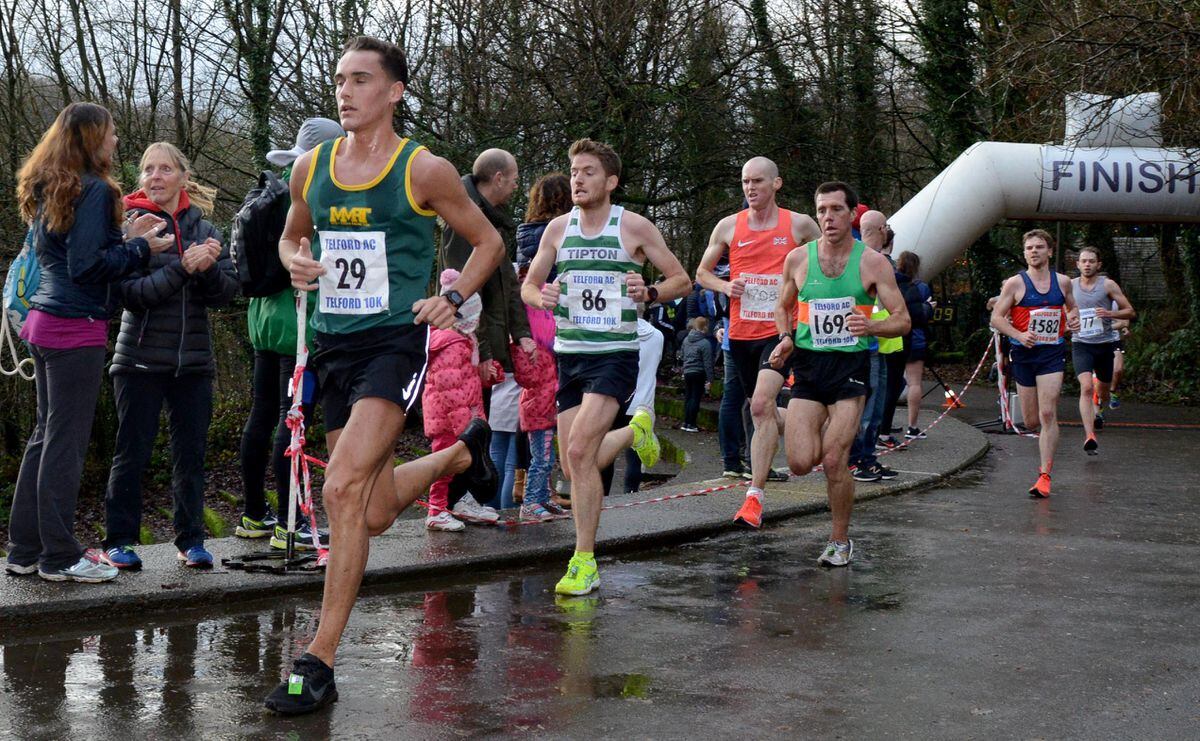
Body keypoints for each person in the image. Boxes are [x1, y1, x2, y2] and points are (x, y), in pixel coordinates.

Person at [264, 36, 504, 715]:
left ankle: (319, 659)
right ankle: (461, 453)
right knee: (366, 509)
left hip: (394, 345)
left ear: (394, 91)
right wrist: (294, 258)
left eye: (361, 79)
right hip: (334, 346)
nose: (345, 91)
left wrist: (452, 299)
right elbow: (291, 234)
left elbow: (487, 241)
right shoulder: (310, 168)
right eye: (340, 79)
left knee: (338, 487)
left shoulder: (423, 169)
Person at [8, 103, 172, 583]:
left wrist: (125, 238)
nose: (117, 139)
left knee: (44, 437)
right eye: (110, 132)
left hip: (42, 322)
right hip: (73, 326)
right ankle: (59, 557)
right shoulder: (96, 189)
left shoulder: (52, 184)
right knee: (64, 444)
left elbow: (73, 251)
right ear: (90, 137)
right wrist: (141, 247)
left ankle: (23, 550)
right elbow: (88, 267)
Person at [521, 137, 690, 596]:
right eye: (574, 171)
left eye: (589, 171)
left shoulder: (632, 227)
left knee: (578, 453)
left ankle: (583, 559)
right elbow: (530, 286)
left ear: (611, 181)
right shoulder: (556, 229)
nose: (578, 178)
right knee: (574, 465)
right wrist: (543, 296)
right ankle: (635, 432)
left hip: (615, 354)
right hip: (571, 355)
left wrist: (650, 293)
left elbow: (681, 279)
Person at [102, 142, 237, 570]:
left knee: (191, 455)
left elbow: (229, 293)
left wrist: (210, 268)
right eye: (147, 170)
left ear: (183, 176)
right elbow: (132, 296)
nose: (155, 177)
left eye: (164, 169)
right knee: (132, 453)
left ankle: (191, 541)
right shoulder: (129, 227)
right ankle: (119, 541)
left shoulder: (207, 228)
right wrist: (184, 268)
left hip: (194, 362)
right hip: (138, 359)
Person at [769, 182, 910, 566]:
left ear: (851, 215)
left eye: (835, 210)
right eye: (822, 210)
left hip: (850, 368)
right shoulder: (798, 259)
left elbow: (902, 320)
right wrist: (785, 337)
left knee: (834, 460)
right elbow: (782, 307)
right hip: (810, 367)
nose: (828, 218)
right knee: (800, 462)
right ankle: (798, 424)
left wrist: (872, 328)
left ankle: (840, 540)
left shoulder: (873, 263)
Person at [695, 156, 819, 528]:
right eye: (746, 182)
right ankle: (813, 424)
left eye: (758, 181)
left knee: (762, 403)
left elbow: (829, 259)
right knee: (760, 410)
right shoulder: (728, 226)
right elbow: (701, 273)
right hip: (741, 334)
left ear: (776, 184)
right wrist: (724, 285)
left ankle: (754, 497)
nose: (750, 188)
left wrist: (805, 295)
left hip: (782, 331)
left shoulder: (798, 224)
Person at [237, 117, 344, 546]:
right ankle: (291, 523)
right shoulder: (313, 194)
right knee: (292, 419)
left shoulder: (275, 189)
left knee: (261, 415)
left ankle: (253, 514)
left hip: (262, 318)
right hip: (297, 321)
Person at [442, 149, 535, 515]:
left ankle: (465, 499)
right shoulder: (463, 218)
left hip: (488, 342)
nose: (515, 187)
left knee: (477, 420)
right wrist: (478, 351)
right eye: (513, 179)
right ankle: (457, 500)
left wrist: (522, 332)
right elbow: (462, 291)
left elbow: (509, 284)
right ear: (497, 179)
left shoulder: (492, 221)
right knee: (466, 422)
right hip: (465, 345)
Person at [990, 229, 1080, 497]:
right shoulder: (1015, 284)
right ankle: (1040, 438)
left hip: (1051, 353)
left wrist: (1072, 320)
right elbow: (996, 318)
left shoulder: (1063, 282)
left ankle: (1044, 475)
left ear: (1050, 251)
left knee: (1048, 413)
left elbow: (1072, 309)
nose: (1034, 251)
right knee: (1030, 421)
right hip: (1024, 355)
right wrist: (1019, 335)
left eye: (1039, 247)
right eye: (1029, 248)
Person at [421, 270, 490, 531]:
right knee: (444, 466)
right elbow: (449, 388)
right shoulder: (452, 344)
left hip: (457, 418)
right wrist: (467, 427)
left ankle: (459, 502)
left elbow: (466, 380)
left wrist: (488, 377)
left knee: (458, 465)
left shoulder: (462, 342)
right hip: (450, 421)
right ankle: (436, 510)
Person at [848, 209, 899, 482]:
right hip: (861, 347)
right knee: (865, 409)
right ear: (881, 229)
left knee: (876, 407)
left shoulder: (874, 260)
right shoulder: (862, 259)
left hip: (878, 344)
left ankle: (868, 458)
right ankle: (856, 460)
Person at [1070, 246, 1135, 454]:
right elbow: (1062, 313)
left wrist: (1109, 314)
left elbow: (1130, 312)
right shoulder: (1069, 286)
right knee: (1086, 386)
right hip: (1081, 344)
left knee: (1103, 389)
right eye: (1083, 261)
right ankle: (1089, 435)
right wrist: (1068, 324)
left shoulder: (1107, 285)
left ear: (1098, 264)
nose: (1087, 264)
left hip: (1105, 345)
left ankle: (1101, 405)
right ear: (1077, 264)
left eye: (1091, 261)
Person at [680, 316, 714, 431]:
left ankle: (685, 422)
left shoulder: (686, 340)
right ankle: (692, 423)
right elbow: (708, 363)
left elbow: (683, 355)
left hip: (687, 371)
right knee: (695, 397)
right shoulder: (705, 343)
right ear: (705, 327)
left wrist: (684, 369)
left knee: (688, 397)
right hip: (699, 372)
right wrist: (710, 379)